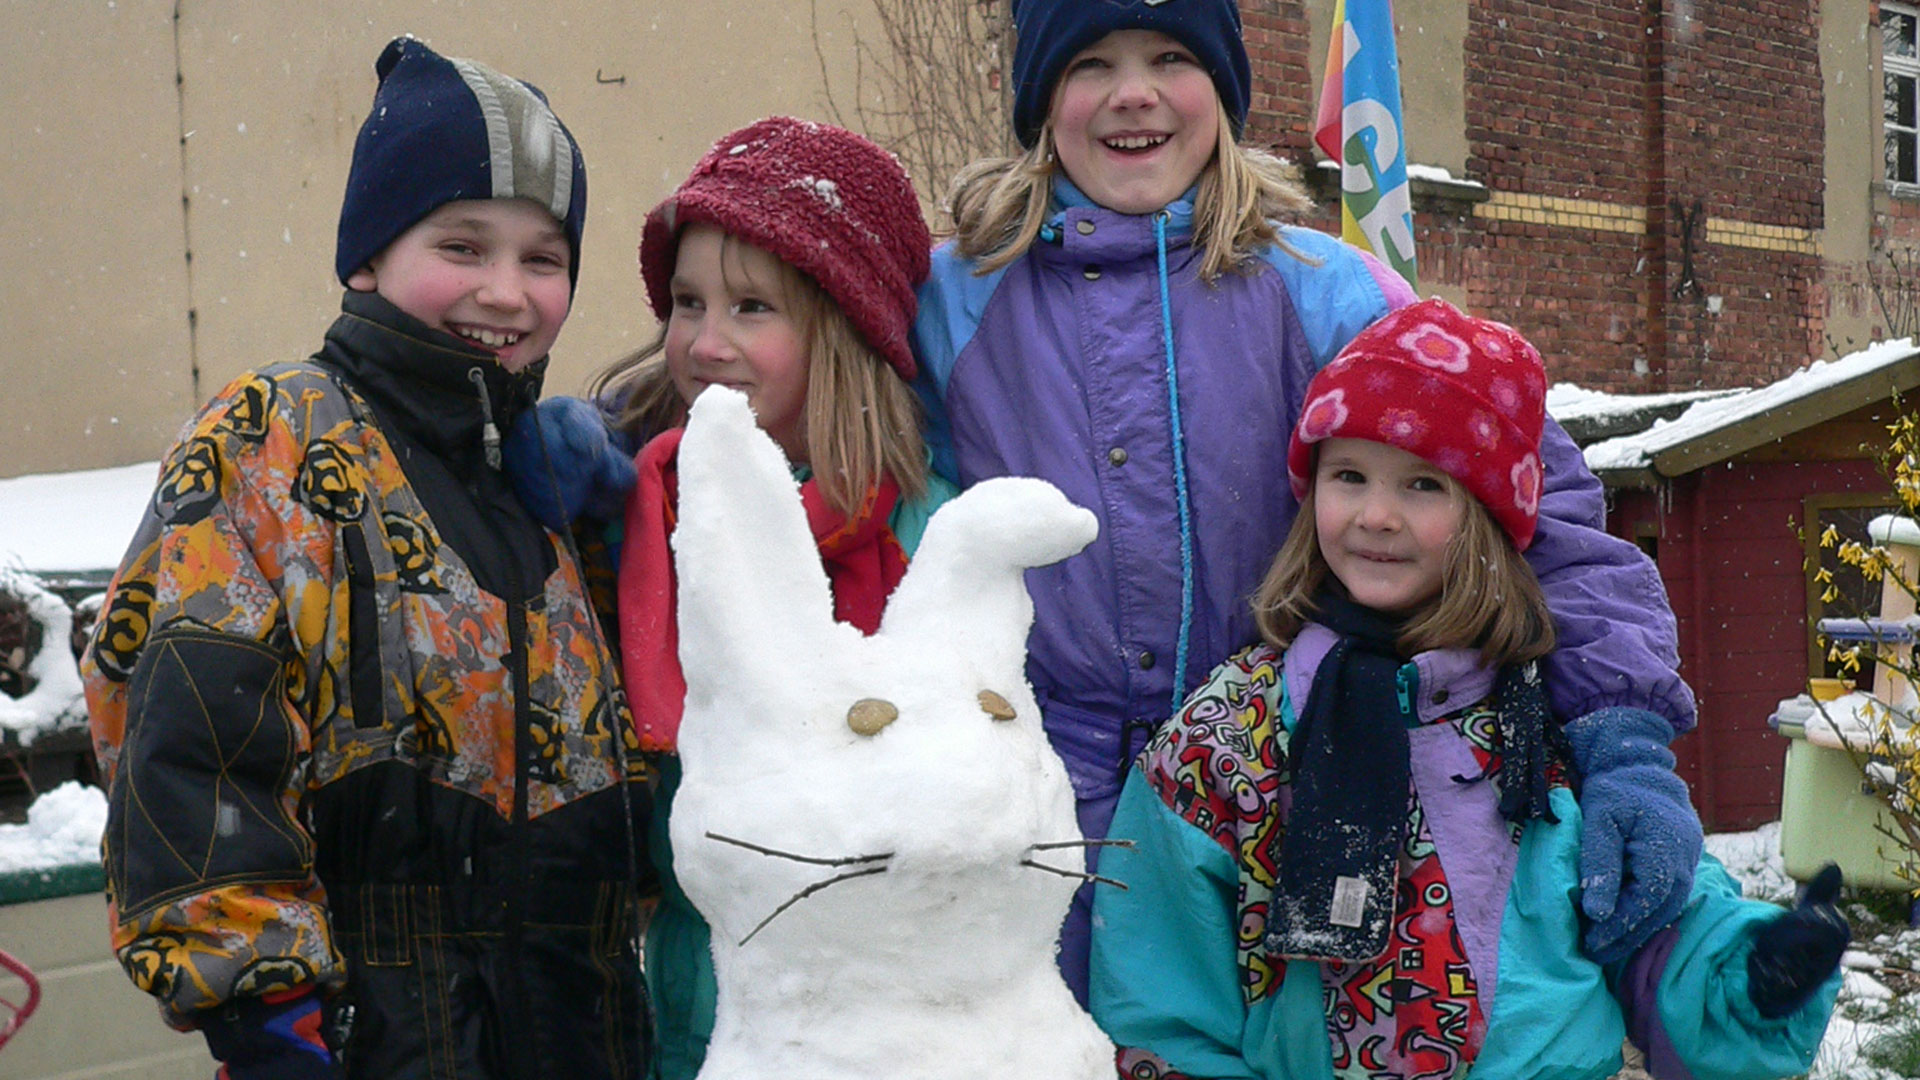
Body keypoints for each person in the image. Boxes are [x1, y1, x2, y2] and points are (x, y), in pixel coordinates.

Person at [908, 0, 1704, 1001]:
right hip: (1032, 802)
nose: (1134, 93)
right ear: (1038, 98)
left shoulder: (1329, 293)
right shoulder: (950, 298)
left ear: (1226, 89)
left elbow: (1535, 510)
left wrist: (1622, 736)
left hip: (1284, 786)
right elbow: (794, 414)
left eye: (1170, 56)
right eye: (1089, 63)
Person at [81, 37, 651, 1080]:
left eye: (544, 258)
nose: (508, 292)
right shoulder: (275, 437)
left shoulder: (553, 486)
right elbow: (183, 732)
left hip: (583, 1032)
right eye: (463, 246)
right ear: (367, 256)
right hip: (373, 1039)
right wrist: (266, 1012)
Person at [1088, 298, 1848, 1080]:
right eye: (1348, 475)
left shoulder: (1554, 719)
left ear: (1488, 514)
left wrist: (1756, 977)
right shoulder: (1227, 739)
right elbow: (1164, 1002)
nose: (1376, 516)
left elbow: (1656, 935)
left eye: (1423, 485)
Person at [546, 116, 955, 1080]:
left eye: (752, 308)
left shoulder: (927, 539)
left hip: (894, 1021)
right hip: (697, 1012)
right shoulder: (633, 510)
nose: (705, 342)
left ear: (845, 328)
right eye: (687, 303)